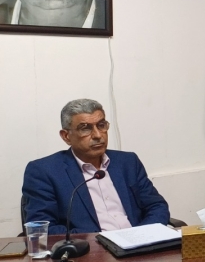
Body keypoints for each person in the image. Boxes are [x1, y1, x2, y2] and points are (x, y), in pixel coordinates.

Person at [22, 99, 169, 234]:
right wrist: (98, 240)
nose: (98, 135)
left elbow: (157, 206)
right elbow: (42, 228)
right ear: (66, 136)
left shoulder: (127, 162)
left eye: (101, 125)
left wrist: (141, 236)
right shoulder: (44, 171)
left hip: (138, 245)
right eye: (85, 128)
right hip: (90, 250)